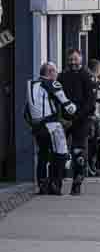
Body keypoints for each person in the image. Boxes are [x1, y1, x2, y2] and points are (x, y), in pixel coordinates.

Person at [25, 62, 77, 195]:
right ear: (49, 73)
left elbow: (25, 112)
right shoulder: (53, 84)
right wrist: (74, 110)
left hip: (37, 127)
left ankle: (42, 185)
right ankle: (55, 185)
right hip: (51, 125)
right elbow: (67, 105)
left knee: (42, 155)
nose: (56, 74)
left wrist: (33, 124)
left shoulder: (32, 85)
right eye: (54, 71)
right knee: (60, 154)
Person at [57, 49, 97, 196]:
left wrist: (74, 118)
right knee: (59, 151)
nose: (73, 62)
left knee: (78, 152)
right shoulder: (62, 76)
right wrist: (62, 118)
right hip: (64, 120)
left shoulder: (88, 77)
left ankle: (77, 183)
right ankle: (57, 183)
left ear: (81, 59)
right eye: (71, 59)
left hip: (81, 121)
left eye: (75, 59)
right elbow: (57, 98)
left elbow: (90, 103)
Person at [87, 59, 100, 177]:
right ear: (98, 70)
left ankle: (90, 167)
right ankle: (92, 167)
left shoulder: (86, 79)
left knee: (91, 143)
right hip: (95, 117)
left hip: (89, 116)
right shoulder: (96, 82)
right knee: (94, 143)